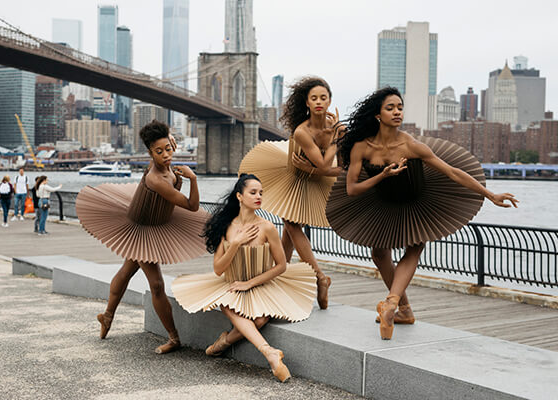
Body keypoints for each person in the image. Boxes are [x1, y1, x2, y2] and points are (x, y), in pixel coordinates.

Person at [327, 87, 518, 340]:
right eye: (390, 108)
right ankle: (397, 306)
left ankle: (396, 305)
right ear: (377, 115)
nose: (397, 112)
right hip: (384, 199)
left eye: (400, 107)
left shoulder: (410, 144)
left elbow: (452, 172)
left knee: (409, 247)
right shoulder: (362, 147)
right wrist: (383, 175)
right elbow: (351, 189)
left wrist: (488, 193)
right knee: (384, 252)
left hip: (418, 198)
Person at [75, 120, 208, 354]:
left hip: (157, 221)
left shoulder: (166, 154)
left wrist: (168, 137)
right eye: (159, 152)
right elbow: (192, 206)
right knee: (156, 284)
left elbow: (165, 139)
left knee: (127, 270)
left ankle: (107, 317)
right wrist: (193, 179)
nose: (166, 155)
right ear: (150, 153)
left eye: (168, 148)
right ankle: (174, 338)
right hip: (142, 227)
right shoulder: (157, 179)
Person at [172, 174, 317, 382]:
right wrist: (236, 243)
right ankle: (269, 353)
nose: (258, 196)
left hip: (260, 282)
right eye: (253, 192)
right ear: (240, 196)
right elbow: (219, 269)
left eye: (261, 193)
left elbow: (281, 265)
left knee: (260, 319)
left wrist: (249, 283)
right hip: (231, 282)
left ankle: (224, 342)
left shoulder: (267, 227)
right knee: (229, 301)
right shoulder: (226, 225)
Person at [238, 76, 343, 310]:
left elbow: (339, 168)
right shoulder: (302, 132)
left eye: (323, 98)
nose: (318, 102)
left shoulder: (336, 129)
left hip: (313, 181)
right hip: (291, 177)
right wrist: (332, 144)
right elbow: (326, 165)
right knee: (291, 227)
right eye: (313, 98)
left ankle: (311, 278)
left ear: (329, 101)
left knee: (291, 228)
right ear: (306, 102)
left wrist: (335, 138)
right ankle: (315, 278)